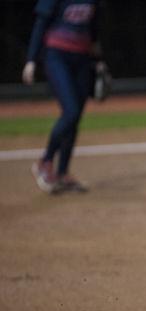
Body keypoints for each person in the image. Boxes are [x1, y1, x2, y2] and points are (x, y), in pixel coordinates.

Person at [23, 0, 106, 194]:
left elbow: (93, 29)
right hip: (57, 57)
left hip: (83, 59)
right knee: (70, 111)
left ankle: (62, 173)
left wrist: (99, 60)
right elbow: (41, 24)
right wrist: (31, 60)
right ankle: (46, 161)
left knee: (75, 117)